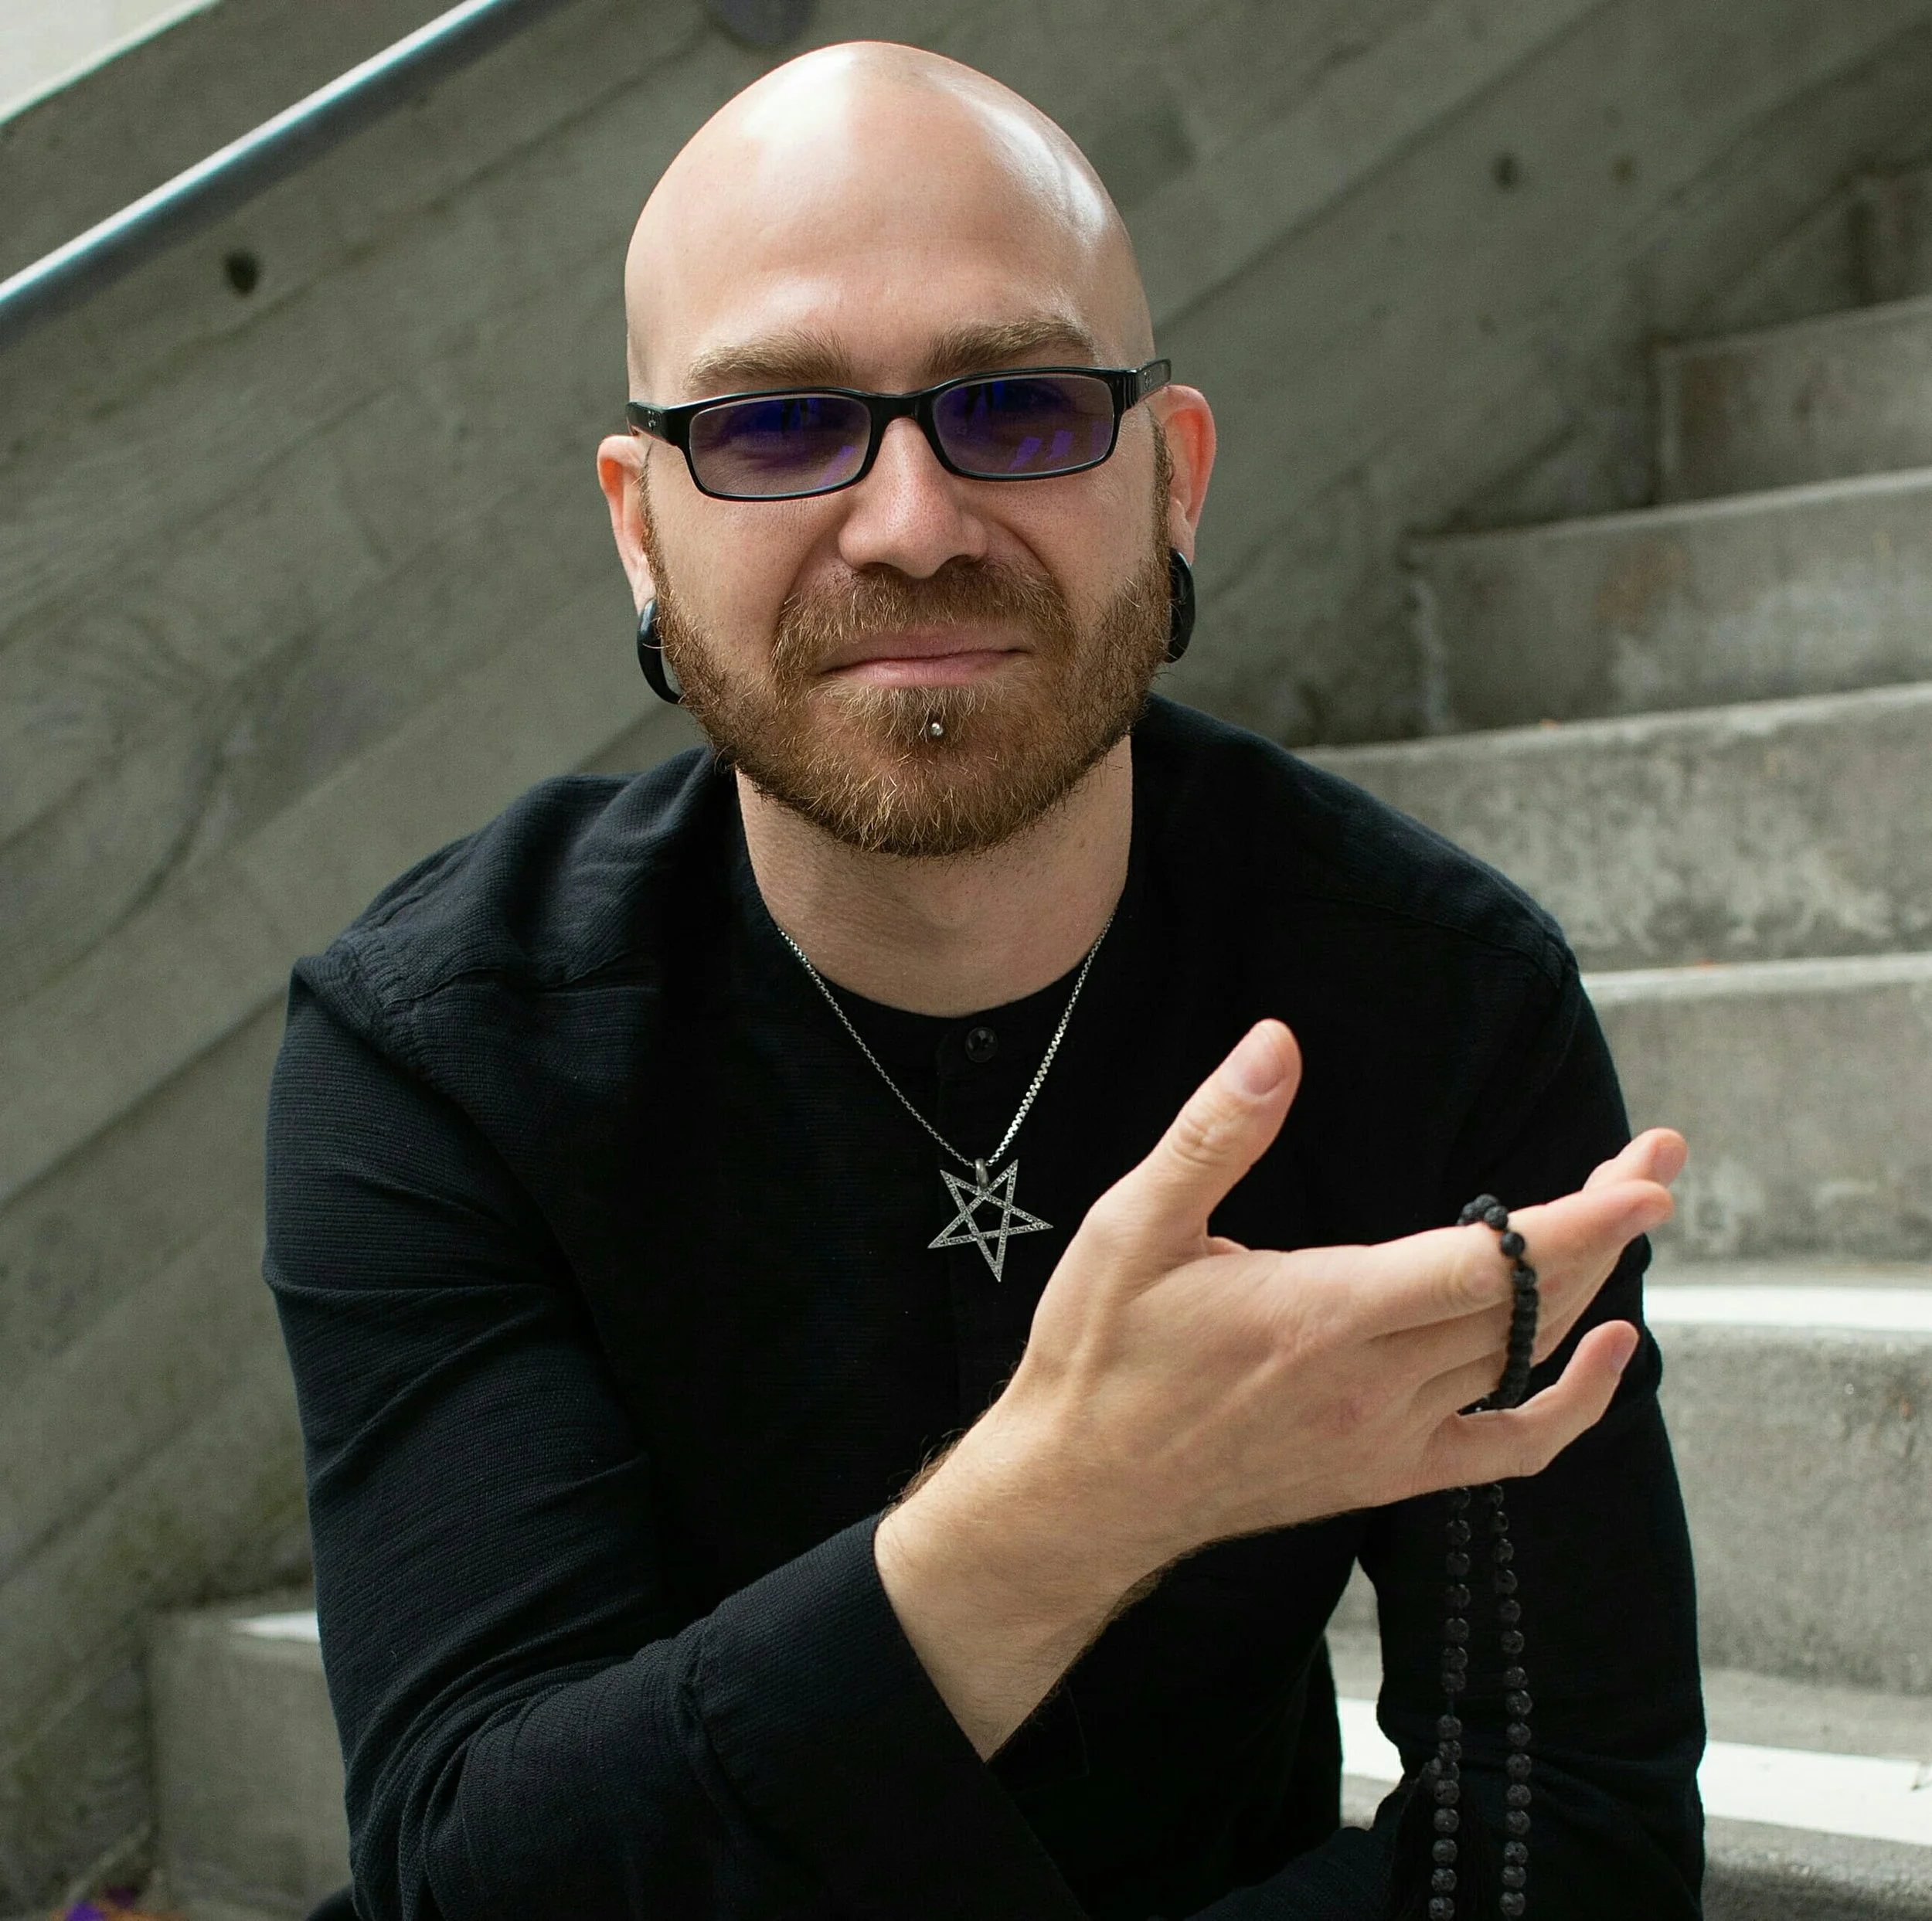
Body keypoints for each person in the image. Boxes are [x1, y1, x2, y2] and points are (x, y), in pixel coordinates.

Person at [267, 41, 1702, 1921]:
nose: (911, 521)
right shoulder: (438, 1052)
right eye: (776, 426)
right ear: (639, 524)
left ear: (1169, 480)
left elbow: (1561, 1827)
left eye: (1016, 407)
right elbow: (480, 1875)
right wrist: (1069, 1504)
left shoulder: (1433, 1000)